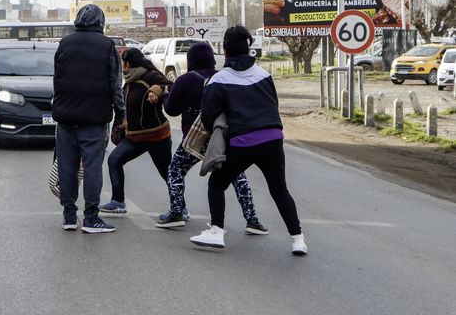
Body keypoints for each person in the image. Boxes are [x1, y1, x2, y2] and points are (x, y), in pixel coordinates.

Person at [191, 26, 307, 255]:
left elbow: (208, 116)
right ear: (248, 47)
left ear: (224, 50)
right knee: (279, 190)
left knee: (217, 183)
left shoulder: (219, 79)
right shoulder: (264, 74)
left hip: (243, 142)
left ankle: (216, 231)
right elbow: (273, 104)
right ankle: (298, 239)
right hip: (273, 139)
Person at [155, 41, 267, 233]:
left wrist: (165, 95)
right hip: (223, 136)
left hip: (196, 137)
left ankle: (176, 213)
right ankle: (252, 220)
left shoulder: (185, 80)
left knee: (175, 170)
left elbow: (171, 110)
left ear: (191, 59)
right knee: (237, 175)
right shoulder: (223, 76)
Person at [53, 3, 125, 233]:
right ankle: (91, 217)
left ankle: (68, 216)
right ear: (100, 22)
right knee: (92, 166)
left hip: (65, 117)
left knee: (67, 165)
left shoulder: (65, 43)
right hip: (94, 118)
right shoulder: (106, 46)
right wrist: (121, 113)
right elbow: (115, 83)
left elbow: (57, 79)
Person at [99, 48, 172, 215]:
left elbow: (170, 85)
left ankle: (179, 207)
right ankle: (118, 202)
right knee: (114, 160)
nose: (122, 66)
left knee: (167, 172)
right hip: (135, 137)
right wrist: (124, 123)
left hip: (157, 136)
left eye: (124, 62)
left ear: (129, 63)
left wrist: (157, 90)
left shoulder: (150, 75)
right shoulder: (130, 81)